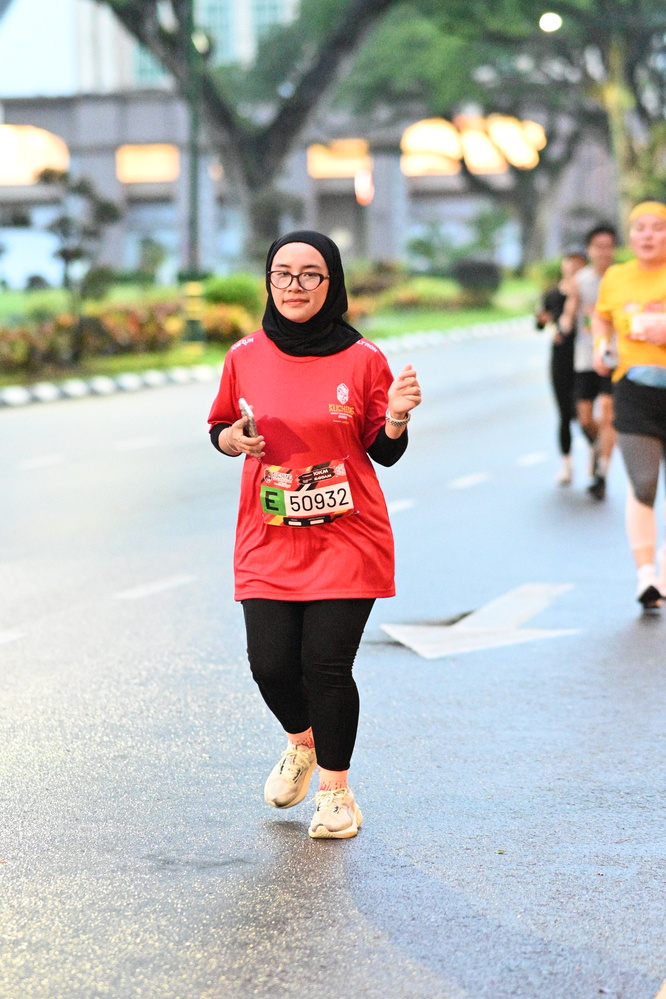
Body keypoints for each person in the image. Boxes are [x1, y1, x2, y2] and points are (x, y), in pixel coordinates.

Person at [207, 230, 421, 837]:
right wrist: (233, 439)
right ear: (268, 282)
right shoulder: (244, 355)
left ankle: (335, 793)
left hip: (347, 537)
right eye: (283, 273)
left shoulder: (364, 358)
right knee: (271, 666)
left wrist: (396, 416)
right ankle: (301, 742)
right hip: (268, 537)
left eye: (310, 274)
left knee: (325, 665)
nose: (294, 286)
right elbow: (219, 426)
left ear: (332, 283)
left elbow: (384, 450)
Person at [592, 202, 666, 608]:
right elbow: (602, 317)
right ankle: (646, 577)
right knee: (644, 483)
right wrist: (602, 346)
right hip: (634, 389)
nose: (648, 235)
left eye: (658, 227)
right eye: (640, 228)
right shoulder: (617, 277)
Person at [561, 224, 618, 500]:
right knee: (585, 418)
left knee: (607, 412)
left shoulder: (622, 278)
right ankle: (597, 446)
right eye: (598, 246)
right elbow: (570, 309)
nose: (603, 252)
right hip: (586, 356)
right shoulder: (581, 280)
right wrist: (565, 321)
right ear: (590, 250)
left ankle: (602, 474)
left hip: (616, 356)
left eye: (608, 246)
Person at [535, 250, 587, 485]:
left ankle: (596, 455)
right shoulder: (552, 294)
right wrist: (543, 319)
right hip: (561, 358)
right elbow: (539, 322)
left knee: (584, 413)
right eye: (569, 261)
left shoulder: (589, 292)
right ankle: (566, 464)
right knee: (564, 412)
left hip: (585, 358)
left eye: (578, 262)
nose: (573, 266)